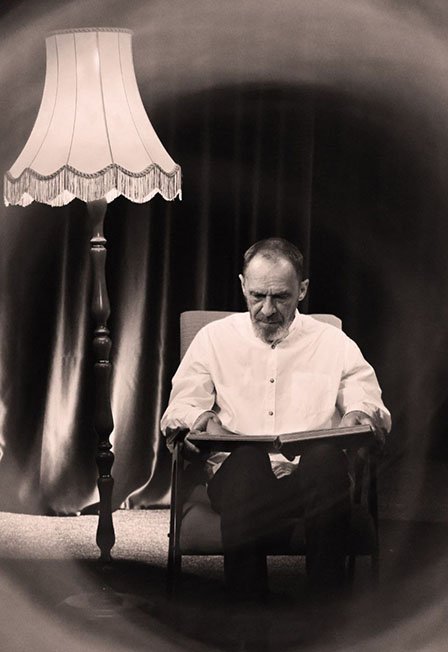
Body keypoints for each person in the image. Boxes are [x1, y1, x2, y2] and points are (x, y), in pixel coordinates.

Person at [161, 237, 391, 600]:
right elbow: (179, 407)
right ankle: (248, 608)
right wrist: (201, 418)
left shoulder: (333, 342)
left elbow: (368, 399)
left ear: (302, 290)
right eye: (257, 296)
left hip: (313, 482)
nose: (267, 310)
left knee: (324, 457)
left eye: (281, 297)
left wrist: (358, 415)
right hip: (240, 483)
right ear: (243, 286)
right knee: (247, 461)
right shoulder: (213, 339)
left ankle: (324, 610)